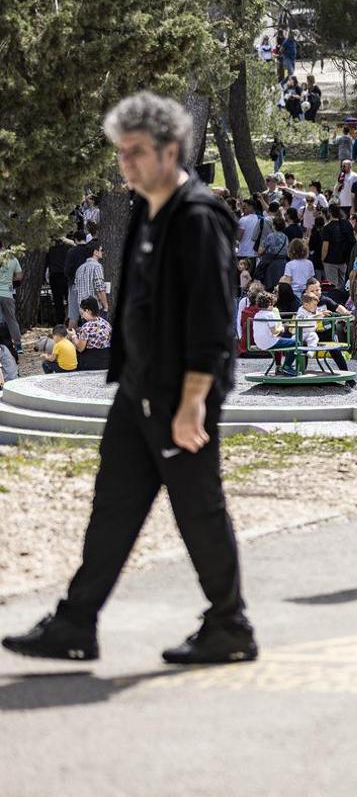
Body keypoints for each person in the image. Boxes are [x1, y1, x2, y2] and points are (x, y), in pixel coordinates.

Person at [4, 93, 255, 665]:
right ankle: (76, 623)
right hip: (138, 389)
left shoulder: (197, 217)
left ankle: (230, 625)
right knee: (113, 505)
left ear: (171, 151)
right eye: (122, 153)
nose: (127, 164)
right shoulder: (149, 207)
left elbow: (212, 322)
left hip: (180, 395)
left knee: (198, 508)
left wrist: (193, 402)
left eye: (137, 152)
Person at [68, 241, 108, 331]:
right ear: (95, 252)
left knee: (87, 334)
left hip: (82, 308)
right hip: (95, 307)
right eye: (102, 250)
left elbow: (76, 288)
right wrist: (105, 306)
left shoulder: (80, 269)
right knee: (98, 334)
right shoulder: (97, 266)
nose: (103, 252)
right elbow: (100, 287)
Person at [74, 299, 113, 371]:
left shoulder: (86, 327)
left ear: (88, 311)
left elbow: (80, 348)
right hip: (106, 360)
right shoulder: (106, 324)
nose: (82, 317)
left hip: (91, 362)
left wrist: (74, 337)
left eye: (82, 313)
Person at [0, 247, 22, 348]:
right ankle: (18, 345)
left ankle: (3, 345)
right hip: (8, 293)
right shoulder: (12, 259)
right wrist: (9, 279)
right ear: (2, 246)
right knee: (11, 320)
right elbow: (19, 276)